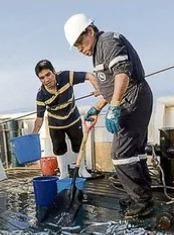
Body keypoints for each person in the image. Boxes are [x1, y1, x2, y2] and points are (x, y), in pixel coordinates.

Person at [64, 13, 154, 219]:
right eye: (77, 48)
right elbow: (110, 86)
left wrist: (114, 108)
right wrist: (98, 107)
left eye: (80, 44)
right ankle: (140, 196)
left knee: (120, 154)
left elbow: (122, 74)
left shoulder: (107, 42)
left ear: (89, 31)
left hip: (134, 97)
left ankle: (142, 202)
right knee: (135, 152)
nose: (81, 50)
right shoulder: (98, 52)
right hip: (130, 98)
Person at [32, 59, 100, 180]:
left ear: (54, 72)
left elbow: (89, 75)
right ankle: (63, 173)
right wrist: (33, 135)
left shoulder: (67, 76)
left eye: (48, 74)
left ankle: (82, 170)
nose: (46, 79)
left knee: (78, 144)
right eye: (42, 78)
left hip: (72, 118)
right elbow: (39, 118)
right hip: (55, 123)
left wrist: (97, 88)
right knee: (58, 148)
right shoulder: (41, 95)